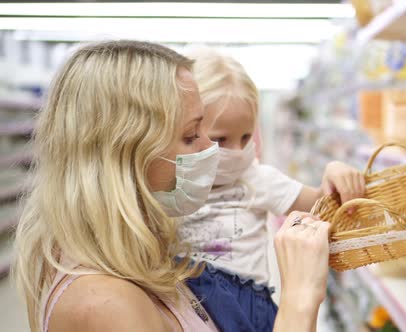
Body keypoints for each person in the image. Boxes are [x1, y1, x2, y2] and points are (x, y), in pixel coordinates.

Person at [12, 40, 332, 332]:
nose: (210, 149)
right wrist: (300, 299)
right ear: (127, 155)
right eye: (192, 135)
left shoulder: (137, 254)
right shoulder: (108, 306)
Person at [178, 47, 365, 332]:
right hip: (189, 306)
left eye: (245, 137)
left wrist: (335, 173)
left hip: (250, 308)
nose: (238, 151)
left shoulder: (256, 178)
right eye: (221, 139)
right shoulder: (172, 185)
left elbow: (321, 205)